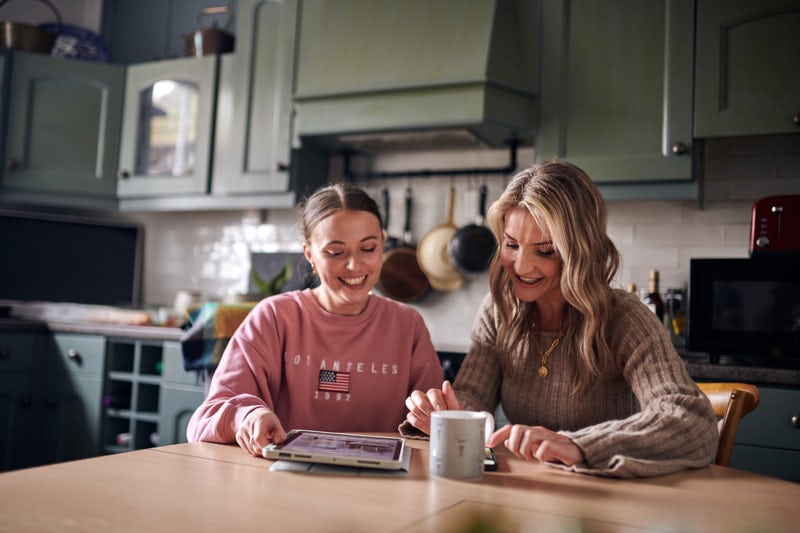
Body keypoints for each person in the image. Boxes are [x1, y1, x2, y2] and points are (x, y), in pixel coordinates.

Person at [402, 160, 718, 478]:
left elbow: (692, 422)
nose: (521, 267)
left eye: (545, 251)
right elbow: (472, 395)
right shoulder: (500, 310)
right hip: (534, 494)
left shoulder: (623, 318)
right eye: (511, 245)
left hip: (611, 502)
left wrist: (579, 446)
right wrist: (445, 413)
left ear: (579, 251)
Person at [188, 183, 444, 456]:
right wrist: (247, 417)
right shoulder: (273, 317)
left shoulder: (407, 325)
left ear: (382, 244)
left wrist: (433, 420)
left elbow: (434, 426)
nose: (355, 266)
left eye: (368, 248)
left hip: (382, 487)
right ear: (310, 255)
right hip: (284, 483)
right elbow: (204, 421)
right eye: (336, 252)